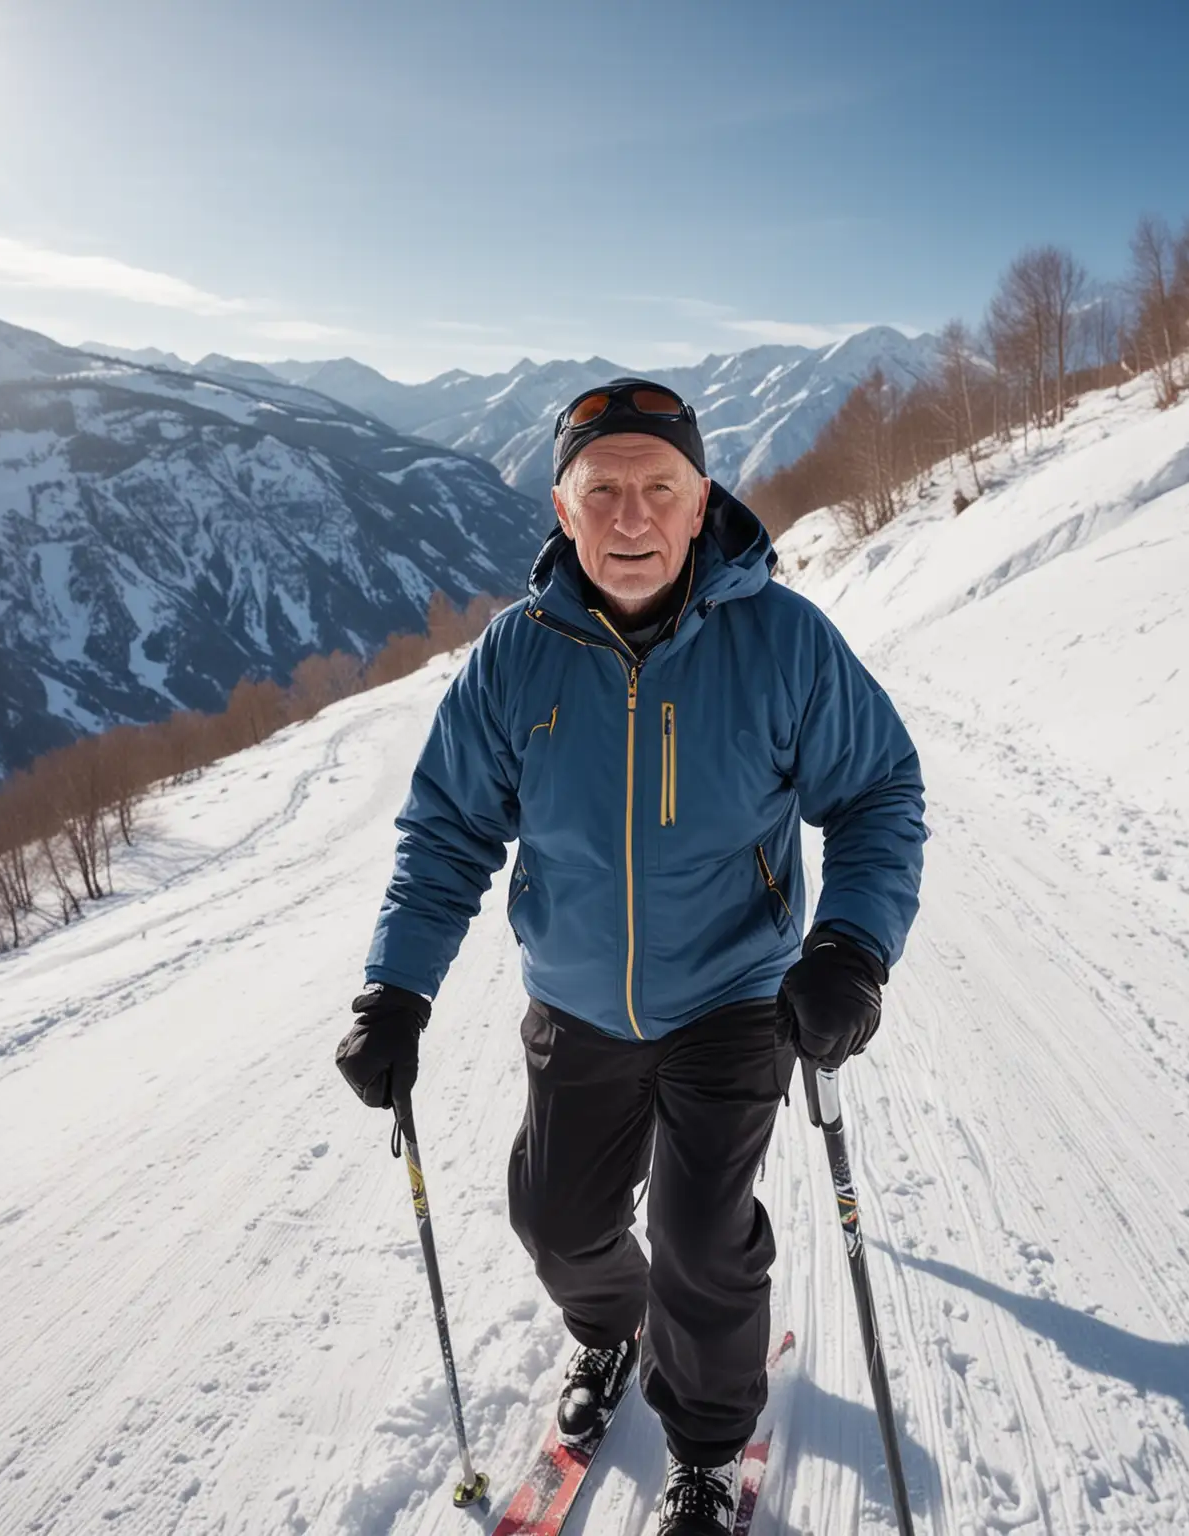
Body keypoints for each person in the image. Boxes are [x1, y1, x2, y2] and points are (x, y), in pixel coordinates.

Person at [335, 378, 927, 1535]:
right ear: (563, 508)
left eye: (659, 487)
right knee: (555, 1220)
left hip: (731, 1001)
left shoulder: (784, 641)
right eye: (602, 490)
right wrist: (396, 989)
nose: (631, 515)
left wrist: (851, 947)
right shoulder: (515, 660)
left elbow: (880, 795)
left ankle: (706, 1444)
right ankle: (613, 1330)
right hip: (577, 1005)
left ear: (702, 502)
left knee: (702, 1241)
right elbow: (449, 830)